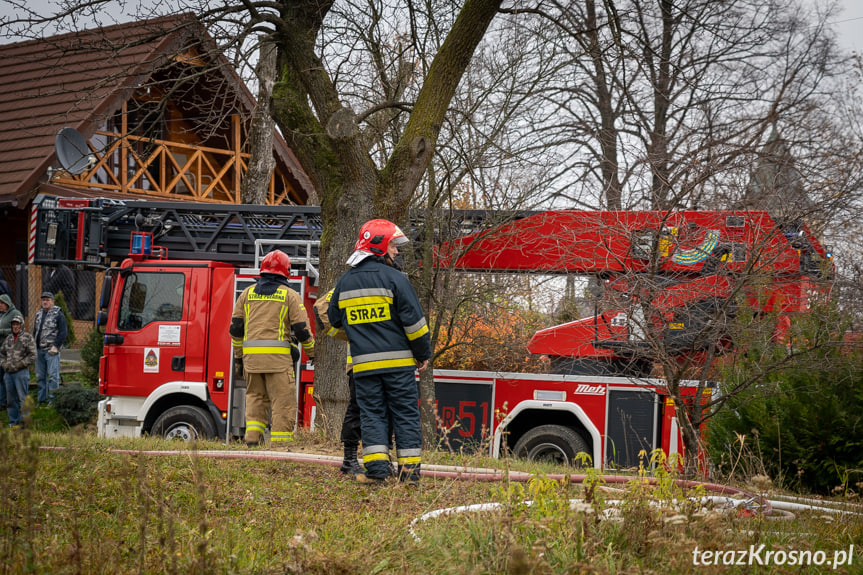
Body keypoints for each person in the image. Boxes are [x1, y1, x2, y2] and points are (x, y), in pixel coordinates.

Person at [327, 219, 432, 485]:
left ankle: (376, 472)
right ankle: (409, 476)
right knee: (405, 415)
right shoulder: (396, 279)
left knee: (372, 415)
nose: (396, 251)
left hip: (363, 367)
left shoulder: (345, 282)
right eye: (394, 246)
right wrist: (422, 354)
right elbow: (415, 324)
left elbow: (334, 319)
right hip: (398, 367)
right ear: (380, 247)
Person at [229, 250, 315, 447]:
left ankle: (251, 442)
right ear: (286, 272)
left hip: (251, 362)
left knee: (255, 400)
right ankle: (279, 448)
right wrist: (312, 353)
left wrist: (239, 358)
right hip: (278, 361)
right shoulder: (290, 295)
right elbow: (302, 331)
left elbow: (235, 329)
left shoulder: (246, 294)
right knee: (282, 403)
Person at [0, 314, 36, 427]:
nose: (15, 327)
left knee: (23, 398)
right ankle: (13, 422)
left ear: (21, 325)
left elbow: (33, 355)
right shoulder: (8, 339)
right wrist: (4, 364)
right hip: (8, 374)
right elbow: (1, 354)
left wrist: (21, 364)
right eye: (13, 324)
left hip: (21, 373)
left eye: (17, 324)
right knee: (10, 400)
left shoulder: (28, 338)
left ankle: (25, 422)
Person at [33, 291, 67, 405]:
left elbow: (63, 332)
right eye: (43, 300)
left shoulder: (58, 314)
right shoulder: (38, 314)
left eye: (47, 300)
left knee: (53, 377)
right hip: (39, 350)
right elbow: (35, 331)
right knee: (40, 377)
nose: (45, 302)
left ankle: (53, 401)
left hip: (51, 351)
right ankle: (41, 400)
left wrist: (56, 346)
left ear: (53, 301)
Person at [0, 294, 21, 408]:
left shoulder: (15, 314)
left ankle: (12, 403)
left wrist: (2, 331)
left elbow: (19, 330)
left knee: (8, 378)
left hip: (11, 351)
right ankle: (2, 402)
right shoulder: (1, 315)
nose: (0, 305)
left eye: (2, 303)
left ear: (7, 303)